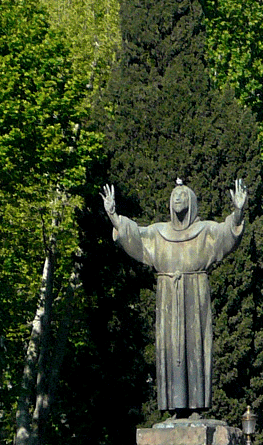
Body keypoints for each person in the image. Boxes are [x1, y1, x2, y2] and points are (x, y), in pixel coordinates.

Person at [101, 178, 247, 416]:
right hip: (168, 294)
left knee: (196, 347)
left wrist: (238, 212)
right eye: (174, 197)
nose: (177, 199)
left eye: (182, 196)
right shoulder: (159, 232)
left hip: (196, 292)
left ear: (191, 202)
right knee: (170, 349)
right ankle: (175, 408)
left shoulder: (205, 230)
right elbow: (135, 235)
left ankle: (197, 406)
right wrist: (114, 216)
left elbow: (226, 235)